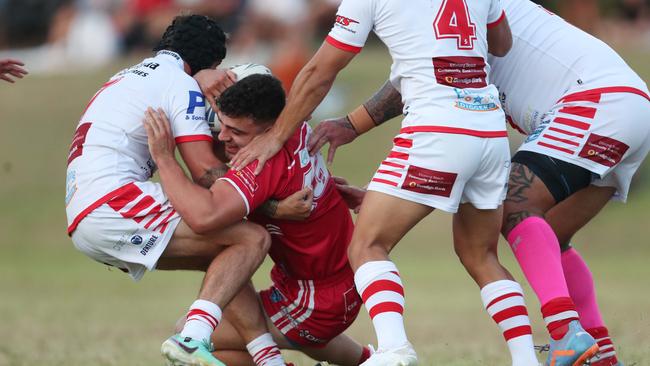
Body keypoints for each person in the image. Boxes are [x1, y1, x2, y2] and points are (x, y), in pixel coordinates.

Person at [307, 1, 650, 365]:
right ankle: (601, 355)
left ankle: (565, 330)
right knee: (549, 234)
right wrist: (391, 193)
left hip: (591, 101)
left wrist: (354, 124)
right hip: (630, 104)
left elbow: (425, 73)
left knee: (515, 205)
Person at [226, 1, 544, 365]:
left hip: (436, 128)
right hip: (488, 129)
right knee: (482, 254)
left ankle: (394, 350)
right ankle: (526, 361)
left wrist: (276, 136)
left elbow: (320, 69)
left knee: (367, 244)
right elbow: (501, 44)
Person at [64, 15, 305, 366]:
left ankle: (268, 361)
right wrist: (275, 207)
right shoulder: (180, 83)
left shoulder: (126, 76)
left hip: (84, 214)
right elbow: (205, 171)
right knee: (251, 239)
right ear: (210, 64)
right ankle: (191, 339)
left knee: (227, 256)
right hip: (112, 202)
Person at [144, 73, 372, 366]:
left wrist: (164, 157)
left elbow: (205, 217)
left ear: (269, 130)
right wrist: (275, 209)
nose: (224, 136)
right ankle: (368, 361)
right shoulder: (298, 127)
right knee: (283, 328)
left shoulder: (260, 165)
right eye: (221, 124)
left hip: (316, 302)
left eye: (236, 131)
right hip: (338, 282)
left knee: (190, 332)